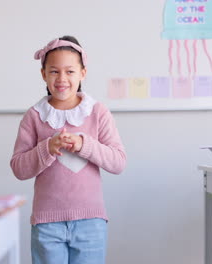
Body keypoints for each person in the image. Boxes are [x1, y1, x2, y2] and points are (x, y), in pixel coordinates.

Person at [10, 36, 127, 264]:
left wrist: (85, 145)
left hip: (91, 222)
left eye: (70, 71)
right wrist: (47, 148)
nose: (62, 78)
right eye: (54, 71)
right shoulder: (34, 116)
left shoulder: (97, 112)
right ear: (43, 74)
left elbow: (118, 162)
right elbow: (19, 168)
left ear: (82, 73)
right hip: (47, 224)